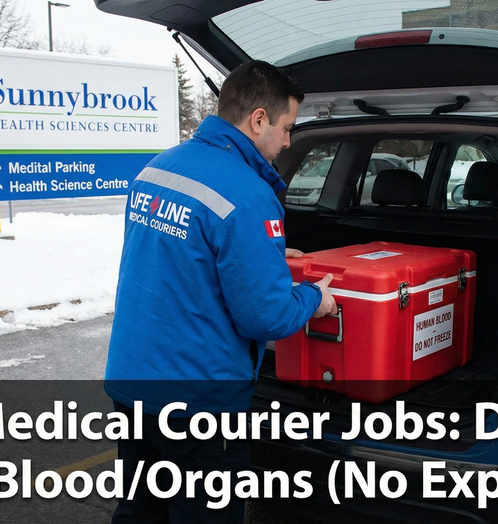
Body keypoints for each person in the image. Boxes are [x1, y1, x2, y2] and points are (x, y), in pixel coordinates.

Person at [104, 60, 337, 523]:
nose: (289, 142)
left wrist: (261, 253)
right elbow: (265, 317)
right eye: (287, 128)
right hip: (198, 399)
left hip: (133, 380)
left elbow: (180, 253)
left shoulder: (160, 167)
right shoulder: (247, 195)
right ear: (257, 119)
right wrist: (315, 299)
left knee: (139, 509)